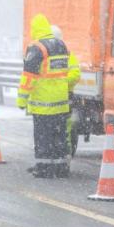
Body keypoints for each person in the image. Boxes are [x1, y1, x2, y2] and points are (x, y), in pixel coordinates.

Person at [16, 14, 74, 178]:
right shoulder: (61, 45)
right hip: (61, 102)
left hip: (44, 104)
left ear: (35, 29)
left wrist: (22, 100)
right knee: (60, 137)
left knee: (43, 138)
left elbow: (29, 77)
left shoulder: (37, 48)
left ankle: (44, 168)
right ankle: (61, 167)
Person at [50, 25, 81, 159]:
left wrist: (59, 85)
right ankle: (57, 153)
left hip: (64, 96)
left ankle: (65, 152)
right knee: (55, 127)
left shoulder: (67, 54)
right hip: (52, 97)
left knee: (66, 126)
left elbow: (75, 74)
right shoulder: (44, 55)